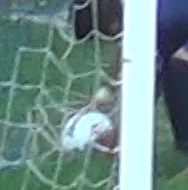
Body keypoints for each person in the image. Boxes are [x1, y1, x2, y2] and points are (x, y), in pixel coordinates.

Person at [71, 0, 188, 167]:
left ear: (112, 25)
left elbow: (145, 84)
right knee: (173, 63)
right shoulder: (144, 11)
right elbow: (127, 55)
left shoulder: (155, 24)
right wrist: (108, 88)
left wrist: (120, 136)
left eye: (107, 36)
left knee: (180, 63)